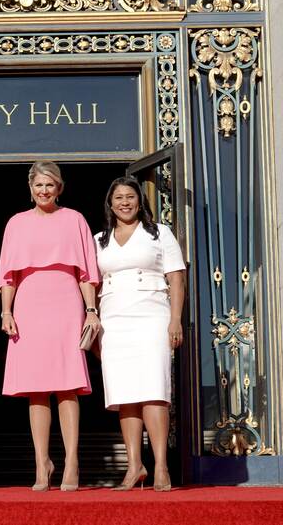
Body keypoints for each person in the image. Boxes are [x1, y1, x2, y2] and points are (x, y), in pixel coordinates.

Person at [0, 160, 100, 492]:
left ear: (60, 188)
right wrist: (6, 312)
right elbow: (8, 275)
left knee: (67, 385)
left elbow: (85, 272)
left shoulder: (75, 219)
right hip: (28, 305)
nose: (44, 190)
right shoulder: (16, 223)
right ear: (30, 189)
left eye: (50, 185)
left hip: (66, 304)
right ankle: (42, 463)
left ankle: (71, 461)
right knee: (36, 388)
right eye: (38, 185)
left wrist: (91, 310)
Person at [94, 176, 186, 492]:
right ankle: (135, 467)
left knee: (153, 388)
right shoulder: (98, 239)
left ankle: (161, 466)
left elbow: (176, 278)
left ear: (140, 200)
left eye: (130, 196)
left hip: (151, 315)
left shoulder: (160, 233)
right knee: (124, 394)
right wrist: (93, 326)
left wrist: (175, 320)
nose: (124, 202)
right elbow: (90, 285)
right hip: (114, 319)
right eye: (118, 197)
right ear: (110, 203)